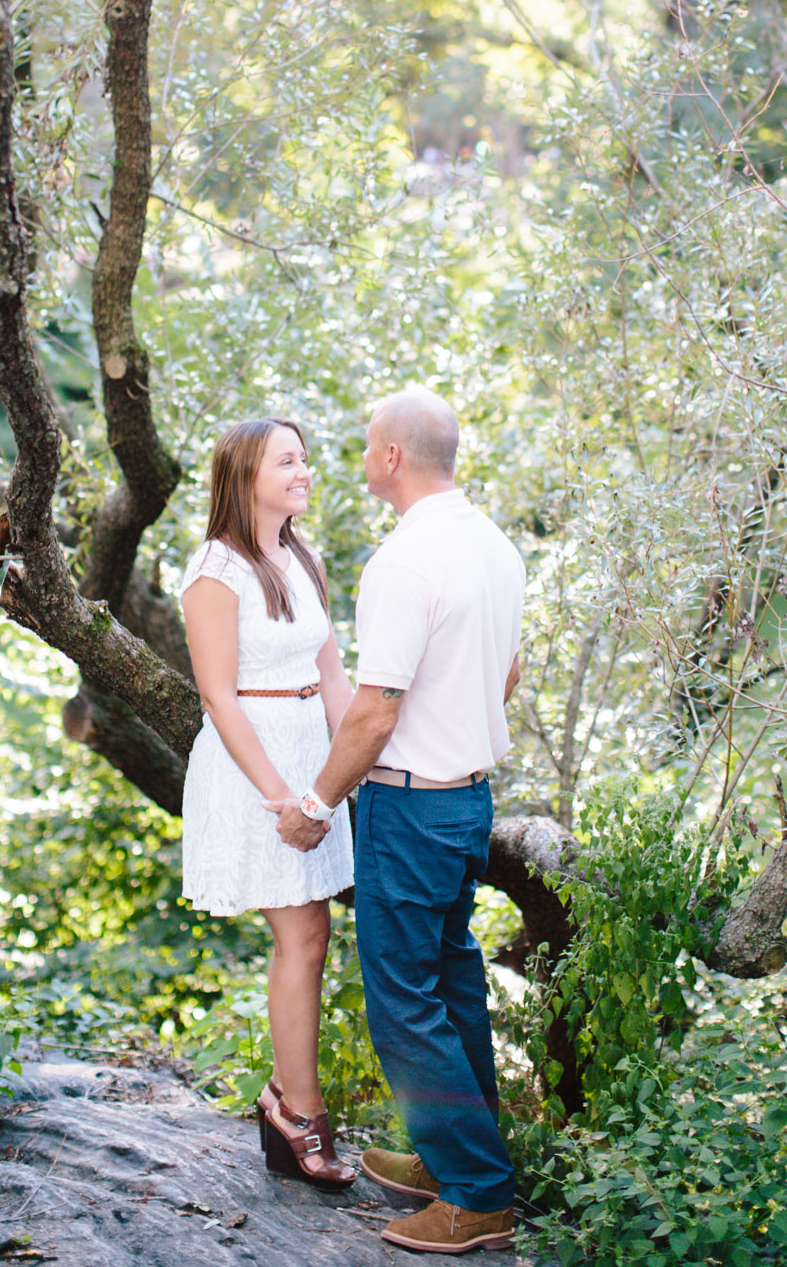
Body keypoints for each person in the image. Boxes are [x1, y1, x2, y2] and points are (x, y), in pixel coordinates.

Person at [269, 388, 526, 1256]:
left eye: (364, 446)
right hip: (467, 799)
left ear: (391, 458)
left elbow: (374, 711)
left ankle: (478, 1193)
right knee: (452, 983)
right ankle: (455, 1158)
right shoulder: (494, 546)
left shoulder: (404, 561)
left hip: (410, 806)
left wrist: (315, 805)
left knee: (404, 1003)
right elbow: (508, 670)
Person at [177, 417, 359, 1188]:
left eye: (305, 459)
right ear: (247, 472)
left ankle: (290, 1103)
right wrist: (285, 798)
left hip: (312, 754)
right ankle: (297, 1112)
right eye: (289, 460)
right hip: (256, 766)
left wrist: (358, 767)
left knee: (313, 933)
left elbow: (336, 676)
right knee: (305, 933)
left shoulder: (298, 556)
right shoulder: (215, 570)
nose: (305, 470)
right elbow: (218, 696)